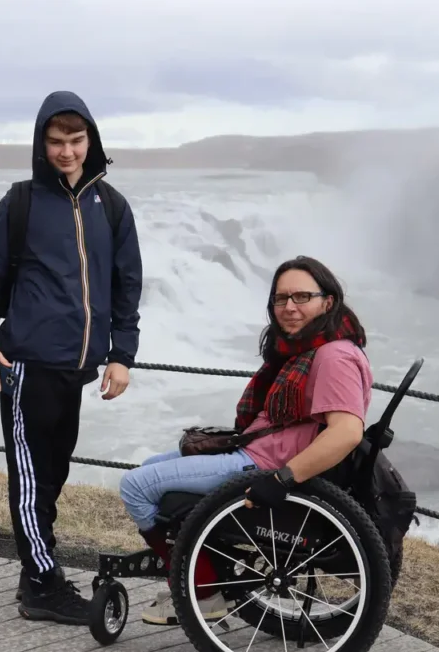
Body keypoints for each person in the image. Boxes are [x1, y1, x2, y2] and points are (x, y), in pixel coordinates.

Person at [0, 90, 143, 626]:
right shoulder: (21, 202)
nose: (66, 151)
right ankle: (42, 583)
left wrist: (121, 356)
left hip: (78, 369)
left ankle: (34, 570)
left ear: (91, 142)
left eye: (76, 140)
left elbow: (125, 287)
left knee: (54, 473)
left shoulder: (111, 207)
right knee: (31, 479)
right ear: (42, 143)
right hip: (25, 367)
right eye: (56, 141)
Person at [118, 255, 371, 626]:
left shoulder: (334, 356)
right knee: (151, 469)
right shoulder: (308, 347)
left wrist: (283, 478)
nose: (289, 307)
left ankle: (202, 591)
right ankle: (199, 563)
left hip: (264, 464)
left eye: (302, 297)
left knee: (135, 487)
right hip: (259, 449)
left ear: (328, 301)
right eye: (281, 298)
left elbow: (347, 431)